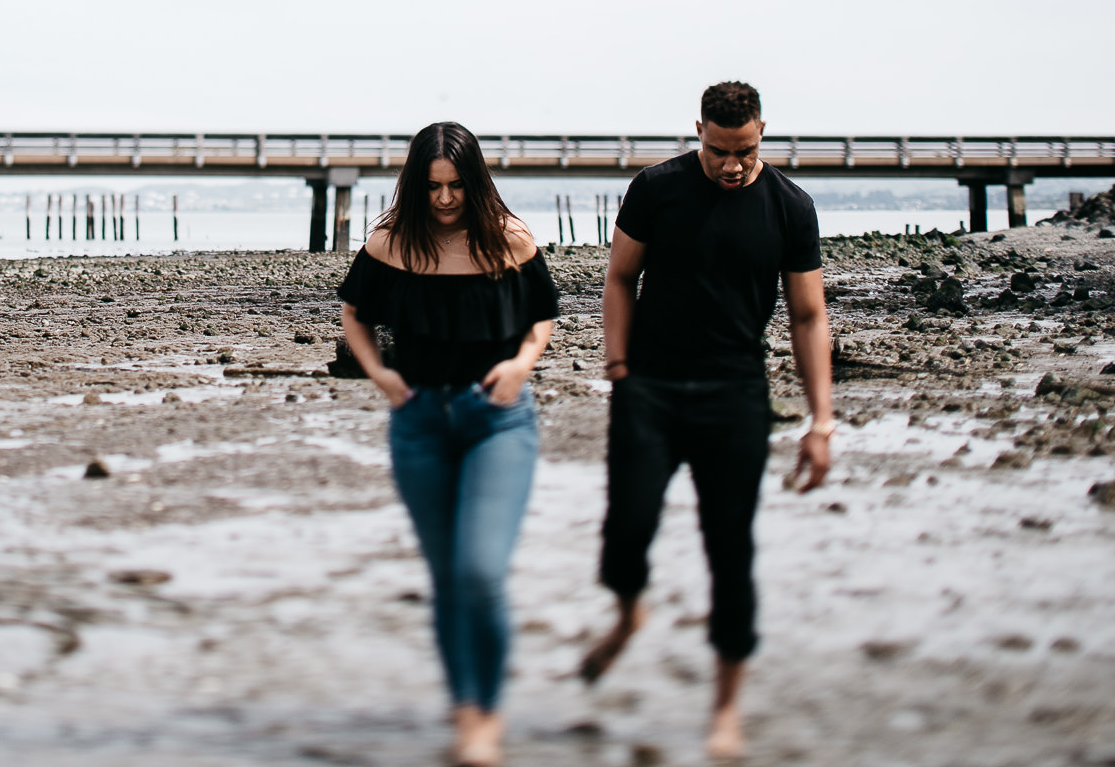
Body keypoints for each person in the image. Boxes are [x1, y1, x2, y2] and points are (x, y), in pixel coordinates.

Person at [580, 81, 834, 758]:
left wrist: (821, 422)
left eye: (746, 151)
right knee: (627, 526)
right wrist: (618, 369)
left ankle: (726, 710)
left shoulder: (789, 207)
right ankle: (631, 611)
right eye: (720, 151)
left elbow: (809, 317)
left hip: (734, 396)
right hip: (652, 390)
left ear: (762, 134)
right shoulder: (656, 189)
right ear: (699, 132)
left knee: (731, 550)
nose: (733, 165)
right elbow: (618, 278)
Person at [338, 121, 560, 767]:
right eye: (432, 186)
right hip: (419, 424)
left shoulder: (510, 239)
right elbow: (353, 311)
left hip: (497, 421)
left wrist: (523, 365)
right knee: (444, 580)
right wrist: (378, 373)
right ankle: (466, 709)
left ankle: (488, 713)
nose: (443, 199)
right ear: (415, 183)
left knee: (480, 574)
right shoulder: (390, 243)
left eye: (455, 185)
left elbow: (542, 313)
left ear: (475, 181)